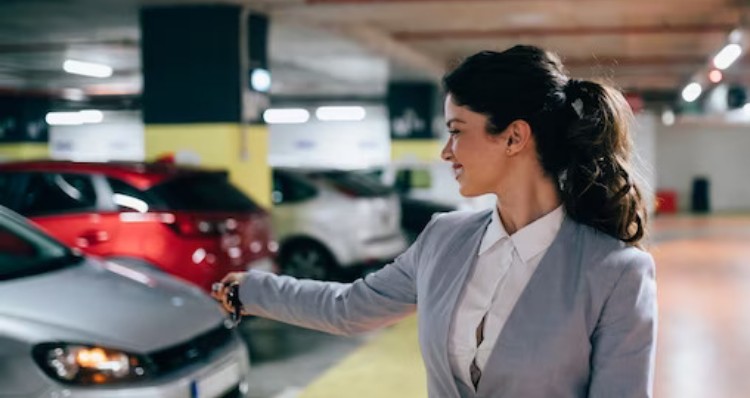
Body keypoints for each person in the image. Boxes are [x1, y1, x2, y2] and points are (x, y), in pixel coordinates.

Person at [214, 44, 657, 398]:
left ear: (514, 137)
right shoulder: (444, 239)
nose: (446, 152)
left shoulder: (615, 273)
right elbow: (349, 308)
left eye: (457, 130)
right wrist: (251, 290)